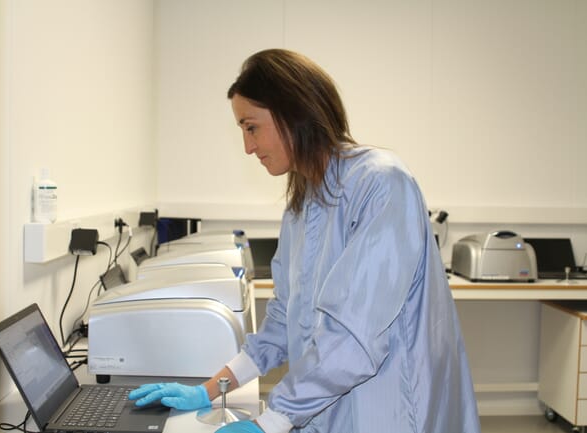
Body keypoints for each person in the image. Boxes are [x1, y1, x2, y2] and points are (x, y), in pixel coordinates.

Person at [129, 49, 480, 433]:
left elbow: (353, 338)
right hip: (329, 405)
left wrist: (269, 422)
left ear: (292, 113)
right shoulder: (303, 203)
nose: (248, 147)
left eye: (251, 127)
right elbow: (284, 320)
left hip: (390, 408)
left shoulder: (381, 183)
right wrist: (210, 389)